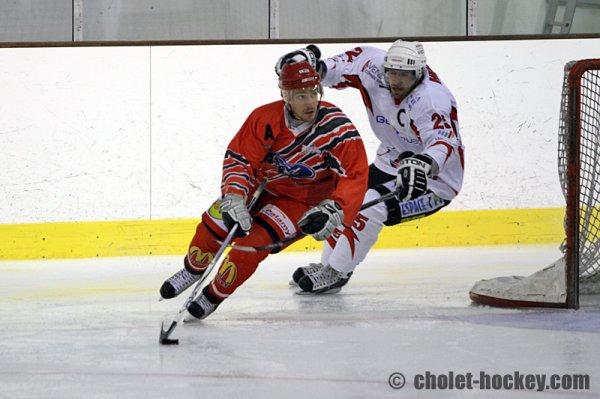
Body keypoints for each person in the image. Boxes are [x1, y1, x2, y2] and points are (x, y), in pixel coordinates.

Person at [159, 61, 369, 319]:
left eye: (314, 93)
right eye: (301, 95)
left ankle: (213, 295)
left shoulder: (337, 128)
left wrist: (334, 208)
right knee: (214, 224)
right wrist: (235, 196)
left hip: (301, 199)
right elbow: (240, 158)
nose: (310, 102)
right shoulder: (265, 117)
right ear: (286, 96)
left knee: (251, 246)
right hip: (261, 185)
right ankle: (193, 269)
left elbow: (355, 175)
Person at [275, 40, 465, 293]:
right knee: (344, 197)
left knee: (371, 206)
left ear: (420, 73)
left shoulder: (432, 99)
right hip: (390, 160)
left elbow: (443, 141)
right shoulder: (371, 63)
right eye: (392, 72)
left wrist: (423, 164)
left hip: (435, 181)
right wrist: (304, 65)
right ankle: (327, 266)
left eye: (405, 75)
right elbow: (325, 71)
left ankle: (337, 272)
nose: (396, 81)